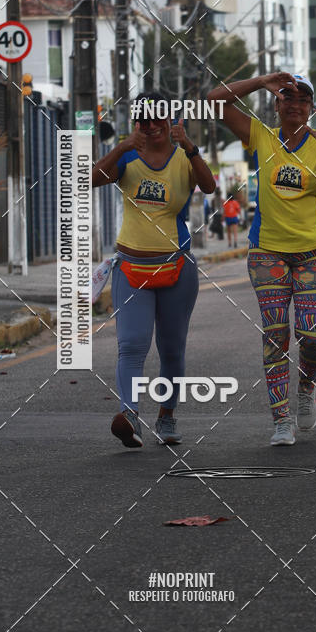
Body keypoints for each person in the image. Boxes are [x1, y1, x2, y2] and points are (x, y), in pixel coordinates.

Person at [209, 71, 316, 446]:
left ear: (312, 109)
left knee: (312, 337)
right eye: (287, 98)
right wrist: (261, 80)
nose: (295, 105)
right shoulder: (260, 136)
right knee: (276, 335)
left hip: (315, 251)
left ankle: (306, 389)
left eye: (302, 100)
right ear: (277, 105)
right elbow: (214, 102)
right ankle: (281, 421)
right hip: (267, 251)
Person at [91, 94, 216, 448]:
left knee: (172, 348)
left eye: (156, 118)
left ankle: (166, 416)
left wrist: (189, 145)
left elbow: (208, 187)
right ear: (135, 123)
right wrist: (120, 148)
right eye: (142, 119)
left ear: (170, 119)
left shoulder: (183, 157)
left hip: (177, 267)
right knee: (131, 345)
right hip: (131, 267)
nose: (149, 125)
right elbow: (92, 179)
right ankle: (129, 416)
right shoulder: (127, 156)